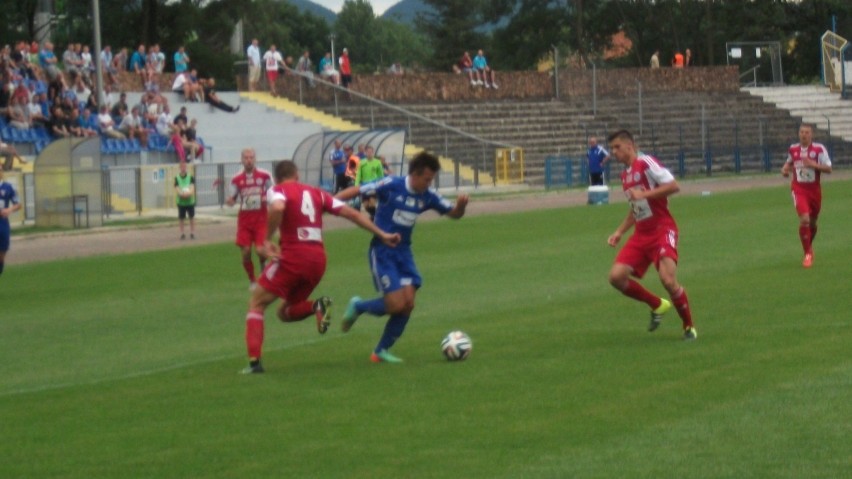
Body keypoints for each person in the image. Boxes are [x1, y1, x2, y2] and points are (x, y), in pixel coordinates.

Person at [240, 160, 401, 374]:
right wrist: (382, 234)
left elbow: (278, 206)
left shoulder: (277, 189)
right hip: (317, 261)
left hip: (293, 257)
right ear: (297, 175)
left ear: (277, 178)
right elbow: (352, 213)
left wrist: (264, 241)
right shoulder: (317, 193)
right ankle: (317, 306)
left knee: (256, 303)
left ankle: (254, 364)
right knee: (285, 312)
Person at [336, 151, 469, 363]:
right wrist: (327, 202)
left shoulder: (428, 196)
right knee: (396, 305)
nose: (429, 183)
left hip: (404, 253)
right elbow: (357, 190)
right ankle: (359, 306)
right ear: (415, 175)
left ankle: (380, 351)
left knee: (408, 304)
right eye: (427, 179)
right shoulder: (391, 184)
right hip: (382, 250)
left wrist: (460, 208)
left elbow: (453, 213)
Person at [605, 130, 696, 341]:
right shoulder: (625, 175)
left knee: (668, 280)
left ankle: (689, 327)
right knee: (616, 277)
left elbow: (674, 186)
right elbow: (637, 207)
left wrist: (644, 194)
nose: (614, 152)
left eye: (617, 147)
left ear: (630, 146)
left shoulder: (646, 163)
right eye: (612, 148)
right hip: (641, 234)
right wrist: (619, 232)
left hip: (663, 229)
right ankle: (657, 304)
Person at [780, 124, 832, 268]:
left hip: (814, 191)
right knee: (805, 219)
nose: (804, 135)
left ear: (811, 134)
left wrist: (813, 164)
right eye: (802, 132)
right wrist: (784, 169)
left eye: (807, 132)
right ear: (799, 134)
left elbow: (829, 168)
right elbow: (789, 164)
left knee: (813, 223)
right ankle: (808, 254)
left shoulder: (819, 149)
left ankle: (808, 247)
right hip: (799, 189)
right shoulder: (793, 149)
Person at [226, 148, 273, 289]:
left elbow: (273, 194)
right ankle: (252, 280)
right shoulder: (236, 179)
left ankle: (262, 264)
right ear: (241, 160)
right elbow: (232, 199)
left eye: (251, 157)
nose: (249, 160)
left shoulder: (265, 176)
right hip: (245, 222)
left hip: (261, 220)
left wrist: (264, 198)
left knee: (260, 250)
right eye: (246, 158)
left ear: (255, 159)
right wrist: (230, 201)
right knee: (246, 252)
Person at [354, 145, 386, 221]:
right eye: (368, 152)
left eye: (371, 152)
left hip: (373, 185)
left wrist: (382, 183)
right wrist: (356, 184)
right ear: (365, 153)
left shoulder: (377, 162)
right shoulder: (362, 162)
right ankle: (374, 215)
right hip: (364, 185)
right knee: (365, 206)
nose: (369, 153)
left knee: (372, 203)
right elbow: (358, 174)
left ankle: (375, 217)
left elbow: (381, 175)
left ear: (373, 152)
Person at [0, 168, 22, 277]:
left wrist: (9, 210)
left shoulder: (8, 187)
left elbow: (18, 204)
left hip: (2, 223)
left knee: (2, 251)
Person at [174, 161, 196, 240]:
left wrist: (188, 194)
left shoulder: (190, 177)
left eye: (184, 167)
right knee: (181, 218)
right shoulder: (177, 178)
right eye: (182, 167)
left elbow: (192, 187)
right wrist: (182, 194)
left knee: (191, 217)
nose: (183, 168)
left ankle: (192, 232)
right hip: (181, 202)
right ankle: (182, 233)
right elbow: (177, 188)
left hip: (190, 201)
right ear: (180, 168)